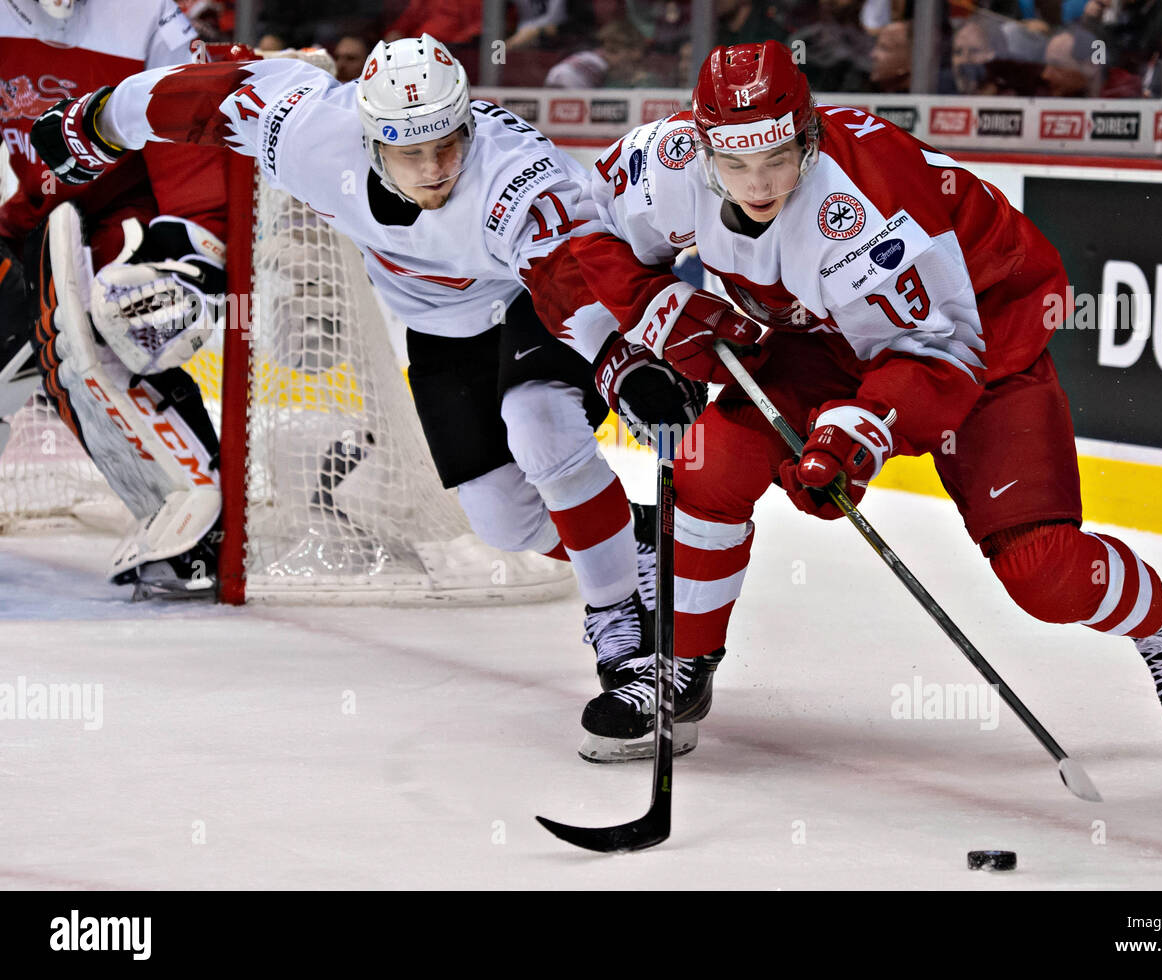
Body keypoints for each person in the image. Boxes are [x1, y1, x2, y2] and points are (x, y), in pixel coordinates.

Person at [566, 40, 1162, 755]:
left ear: (809, 136)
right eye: (736, 164)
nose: (758, 186)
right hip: (822, 336)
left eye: (778, 160)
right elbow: (586, 219)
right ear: (701, 142)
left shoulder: (862, 201)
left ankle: (1157, 617)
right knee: (706, 468)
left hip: (981, 340)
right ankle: (682, 663)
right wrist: (654, 304)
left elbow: (936, 352)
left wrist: (850, 440)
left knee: (1042, 571)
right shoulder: (666, 161)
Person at [36, 34, 703, 708]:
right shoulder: (312, 134)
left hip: (538, 299)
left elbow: (567, 276)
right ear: (369, 137)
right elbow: (206, 95)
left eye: (448, 143)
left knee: (538, 421)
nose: (437, 167)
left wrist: (621, 365)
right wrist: (94, 122)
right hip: (444, 325)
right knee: (505, 522)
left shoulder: (515, 178)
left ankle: (622, 632)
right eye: (411, 152)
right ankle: (637, 539)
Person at [1, 0, 230, 597]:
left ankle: (203, 520)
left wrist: (193, 241)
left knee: (106, 320)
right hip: (25, 217)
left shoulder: (147, 15)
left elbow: (190, 112)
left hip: (119, 216)